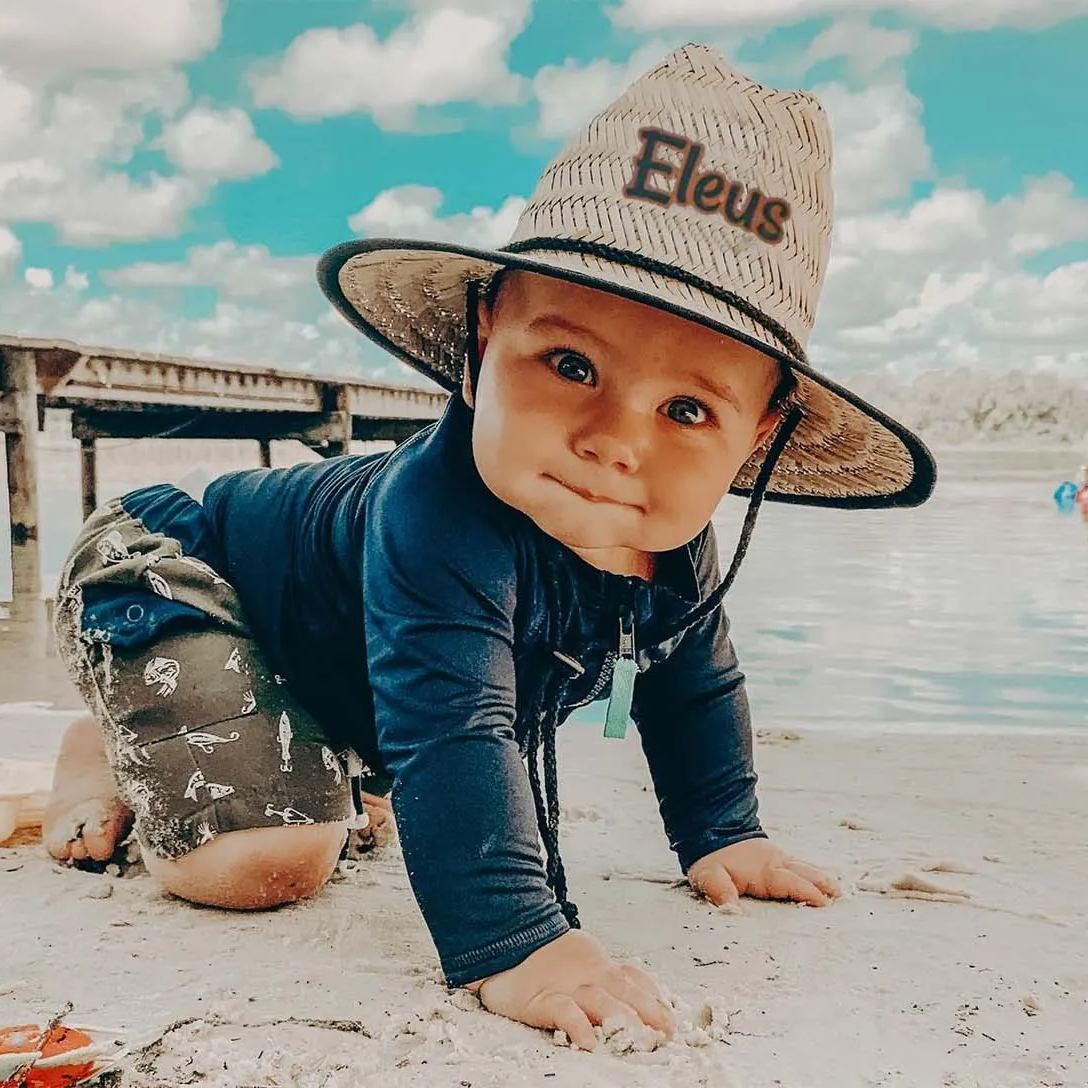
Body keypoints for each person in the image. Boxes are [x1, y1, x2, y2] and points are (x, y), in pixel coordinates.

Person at [43, 44, 936, 1051]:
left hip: (333, 663)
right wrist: (516, 941)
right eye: (568, 362)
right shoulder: (438, 511)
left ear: (757, 438)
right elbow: (457, 730)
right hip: (174, 561)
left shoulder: (673, 551)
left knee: (357, 800)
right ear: (478, 346)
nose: (614, 439)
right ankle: (107, 751)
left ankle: (242, 743)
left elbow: (690, 684)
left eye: (687, 408)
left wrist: (723, 832)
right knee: (271, 858)